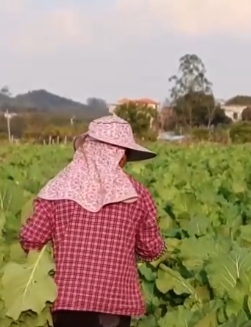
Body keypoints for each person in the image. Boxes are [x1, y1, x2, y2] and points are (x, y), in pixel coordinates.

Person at [19, 115, 166, 327]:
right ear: (121, 156)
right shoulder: (137, 195)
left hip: (67, 301)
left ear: (85, 151)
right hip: (115, 303)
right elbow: (151, 249)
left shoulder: (57, 189)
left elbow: (31, 240)